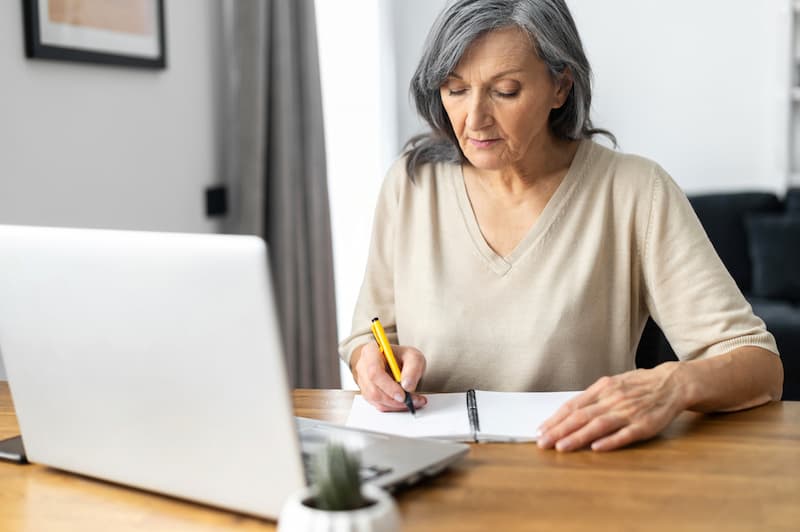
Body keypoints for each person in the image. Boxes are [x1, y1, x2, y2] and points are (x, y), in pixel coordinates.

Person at [338, 0, 783, 452]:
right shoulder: (411, 184)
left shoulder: (633, 190)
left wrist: (670, 384)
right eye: (454, 90)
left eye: (505, 91)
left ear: (560, 86)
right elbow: (369, 334)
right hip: (430, 473)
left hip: (579, 474)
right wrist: (371, 363)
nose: (474, 120)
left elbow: (758, 365)